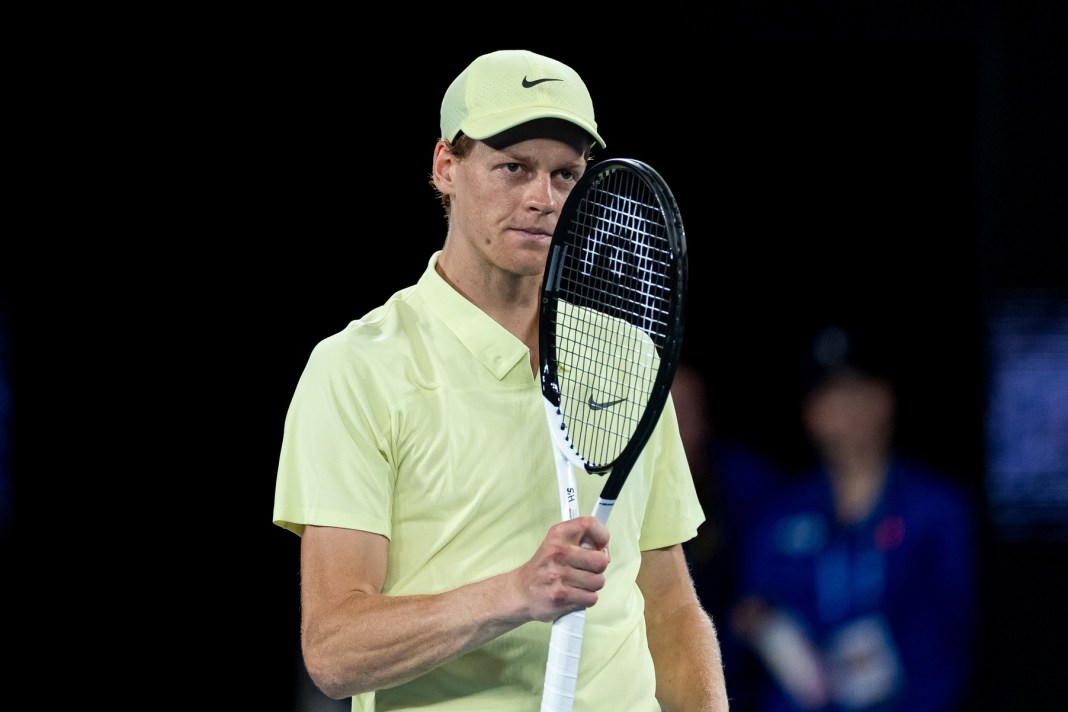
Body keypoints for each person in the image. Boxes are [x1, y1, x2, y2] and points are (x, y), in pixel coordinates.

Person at [272, 49, 730, 712]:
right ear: (446, 168)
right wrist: (516, 592)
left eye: (565, 174)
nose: (543, 199)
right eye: (513, 167)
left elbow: (668, 607)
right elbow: (336, 650)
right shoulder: (357, 369)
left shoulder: (626, 357)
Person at [727, 324, 979, 712]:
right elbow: (749, 618)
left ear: (886, 398)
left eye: (860, 390)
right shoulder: (777, 519)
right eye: (831, 395)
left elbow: (957, 631)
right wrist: (756, 624)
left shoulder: (936, 509)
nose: (849, 408)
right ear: (810, 413)